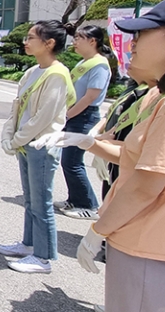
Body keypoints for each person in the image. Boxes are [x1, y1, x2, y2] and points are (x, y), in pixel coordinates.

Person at [37, 0, 165, 311]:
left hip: (148, 243)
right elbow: (140, 155)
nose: (133, 44)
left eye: (143, 34)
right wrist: (89, 142)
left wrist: (98, 231)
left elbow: (147, 185)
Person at [0, 20, 76, 274]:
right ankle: (29, 244)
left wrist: (16, 139)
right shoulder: (33, 71)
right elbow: (18, 106)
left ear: (49, 43)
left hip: (42, 144)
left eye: (31, 37)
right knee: (31, 199)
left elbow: (43, 117)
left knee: (41, 201)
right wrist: (10, 134)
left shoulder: (57, 73)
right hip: (26, 143)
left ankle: (43, 257)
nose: (26, 41)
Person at [54, 25, 112, 220]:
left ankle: (88, 205)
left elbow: (90, 97)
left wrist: (68, 114)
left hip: (84, 116)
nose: (75, 42)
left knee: (72, 162)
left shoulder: (99, 65)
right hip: (75, 114)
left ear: (93, 41)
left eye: (79, 38)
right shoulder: (84, 62)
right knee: (68, 161)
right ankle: (75, 198)